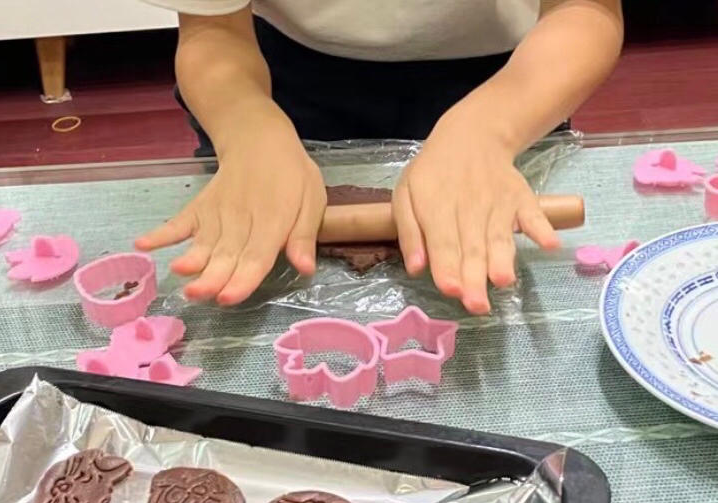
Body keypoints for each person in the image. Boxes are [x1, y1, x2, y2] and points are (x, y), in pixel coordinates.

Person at [137, 0, 623, 313]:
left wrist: (489, 131)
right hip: (275, 80)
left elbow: (584, 10)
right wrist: (248, 132)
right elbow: (213, 32)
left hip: (512, 82)